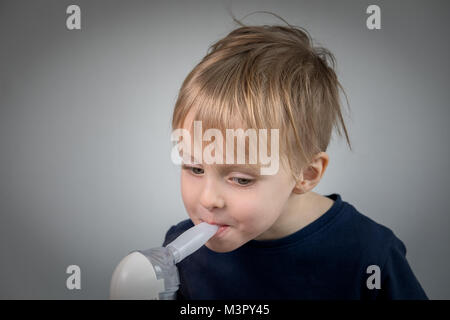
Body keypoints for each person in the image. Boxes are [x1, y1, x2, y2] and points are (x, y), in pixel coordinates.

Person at [163, 19, 428, 300]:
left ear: (307, 174)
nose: (208, 199)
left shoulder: (369, 255)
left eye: (241, 179)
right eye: (194, 167)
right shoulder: (181, 254)